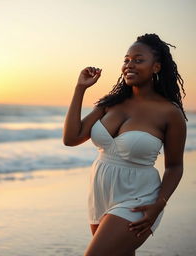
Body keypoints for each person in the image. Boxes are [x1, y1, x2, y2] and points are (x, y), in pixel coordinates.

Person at [63, 33, 187, 256]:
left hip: (139, 197)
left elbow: (175, 166)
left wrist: (160, 204)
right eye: (126, 59)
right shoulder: (110, 104)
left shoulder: (170, 113)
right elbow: (71, 139)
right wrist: (80, 88)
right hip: (101, 192)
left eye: (138, 60)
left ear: (156, 67)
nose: (129, 65)